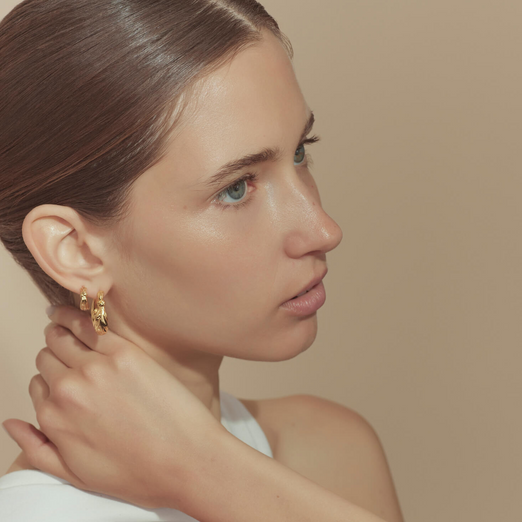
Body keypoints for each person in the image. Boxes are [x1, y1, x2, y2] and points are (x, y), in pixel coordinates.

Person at [0, 0, 404, 520]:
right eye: (236, 188)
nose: (323, 230)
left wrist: (201, 471)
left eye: (300, 152)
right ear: (76, 250)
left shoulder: (331, 450)